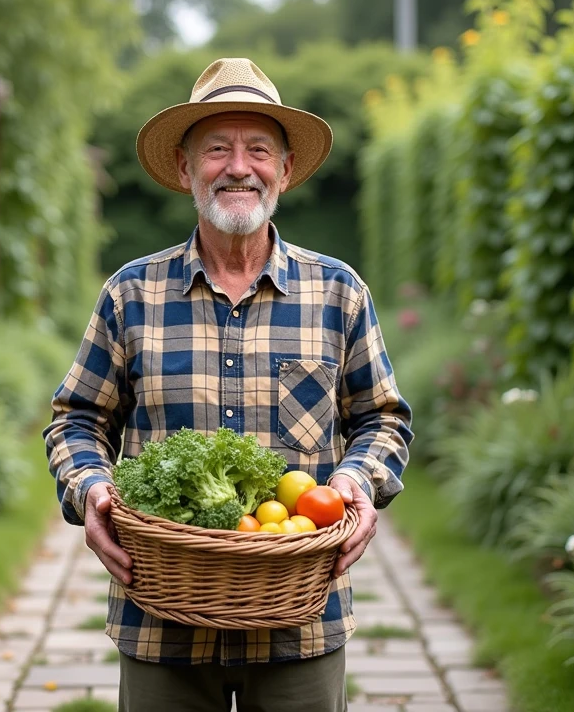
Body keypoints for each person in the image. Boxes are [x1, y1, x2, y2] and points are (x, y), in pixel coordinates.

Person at [44, 57, 412, 712]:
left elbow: (382, 418)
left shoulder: (338, 292)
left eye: (258, 150)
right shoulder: (131, 293)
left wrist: (357, 483)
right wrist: (93, 492)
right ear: (186, 169)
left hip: (302, 622)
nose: (238, 167)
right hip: (163, 625)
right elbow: (77, 420)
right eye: (217, 149)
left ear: (286, 170)